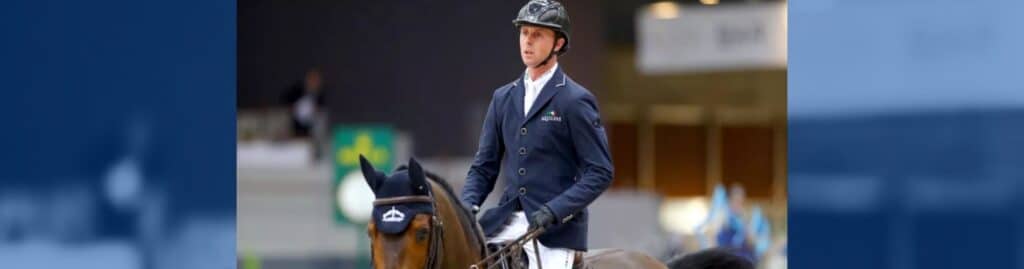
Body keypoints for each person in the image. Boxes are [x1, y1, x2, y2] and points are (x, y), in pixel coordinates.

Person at [459, 1, 614, 269]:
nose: (527, 42)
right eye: (524, 33)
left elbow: (600, 172)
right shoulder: (503, 98)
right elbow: (484, 167)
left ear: (557, 44)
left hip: (554, 230)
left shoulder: (574, 100)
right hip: (505, 221)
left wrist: (555, 211)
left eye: (537, 35)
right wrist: (465, 208)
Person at [281, 67, 325, 138]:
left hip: (310, 128)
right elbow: (286, 101)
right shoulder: (297, 91)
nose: (314, 83)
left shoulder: (319, 96)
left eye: (317, 81)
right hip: (295, 125)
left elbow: (319, 112)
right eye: (312, 80)